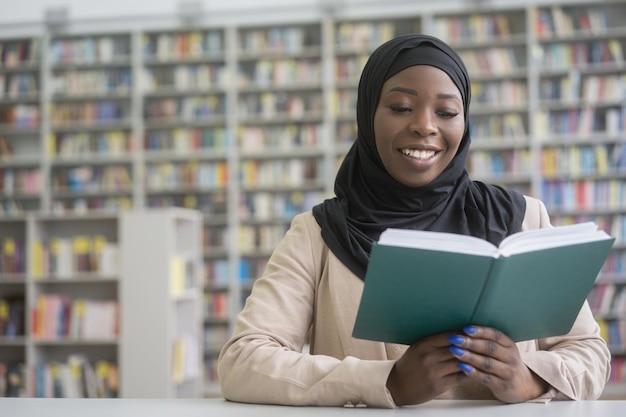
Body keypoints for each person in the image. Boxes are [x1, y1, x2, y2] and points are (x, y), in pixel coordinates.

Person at [217, 34, 611, 408]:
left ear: (465, 121)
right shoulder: (317, 233)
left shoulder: (523, 218)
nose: (425, 125)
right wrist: (385, 381)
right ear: (368, 114)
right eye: (401, 107)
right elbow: (242, 361)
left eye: (447, 112)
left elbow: (589, 353)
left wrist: (531, 380)